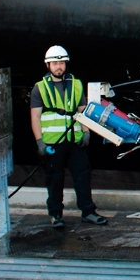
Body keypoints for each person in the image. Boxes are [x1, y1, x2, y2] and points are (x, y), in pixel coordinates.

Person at [30, 45, 107, 228]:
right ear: (48, 65)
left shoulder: (76, 84)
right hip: (52, 142)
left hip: (75, 140)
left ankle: (88, 211)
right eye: (55, 63)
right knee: (54, 178)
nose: (59, 66)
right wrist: (39, 141)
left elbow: (83, 111)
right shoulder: (39, 88)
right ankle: (56, 214)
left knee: (83, 175)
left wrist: (86, 132)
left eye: (62, 63)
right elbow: (35, 116)